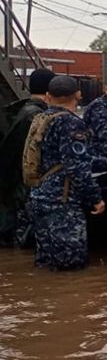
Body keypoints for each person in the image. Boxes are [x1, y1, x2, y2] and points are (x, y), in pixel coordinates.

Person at [24, 76, 106, 270]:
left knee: (46, 263)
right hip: (62, 203)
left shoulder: (41, 118)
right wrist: (95, 199)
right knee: (72, 268)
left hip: (39, 197)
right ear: (78, 95)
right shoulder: (71, 124)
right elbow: (77, 167)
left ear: (48, 96)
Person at [0, 68, 55, 246]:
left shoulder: (22, 110)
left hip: (12, 186)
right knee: (20, 239)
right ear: (49, 92)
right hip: (20, 189)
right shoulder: (35, 117)